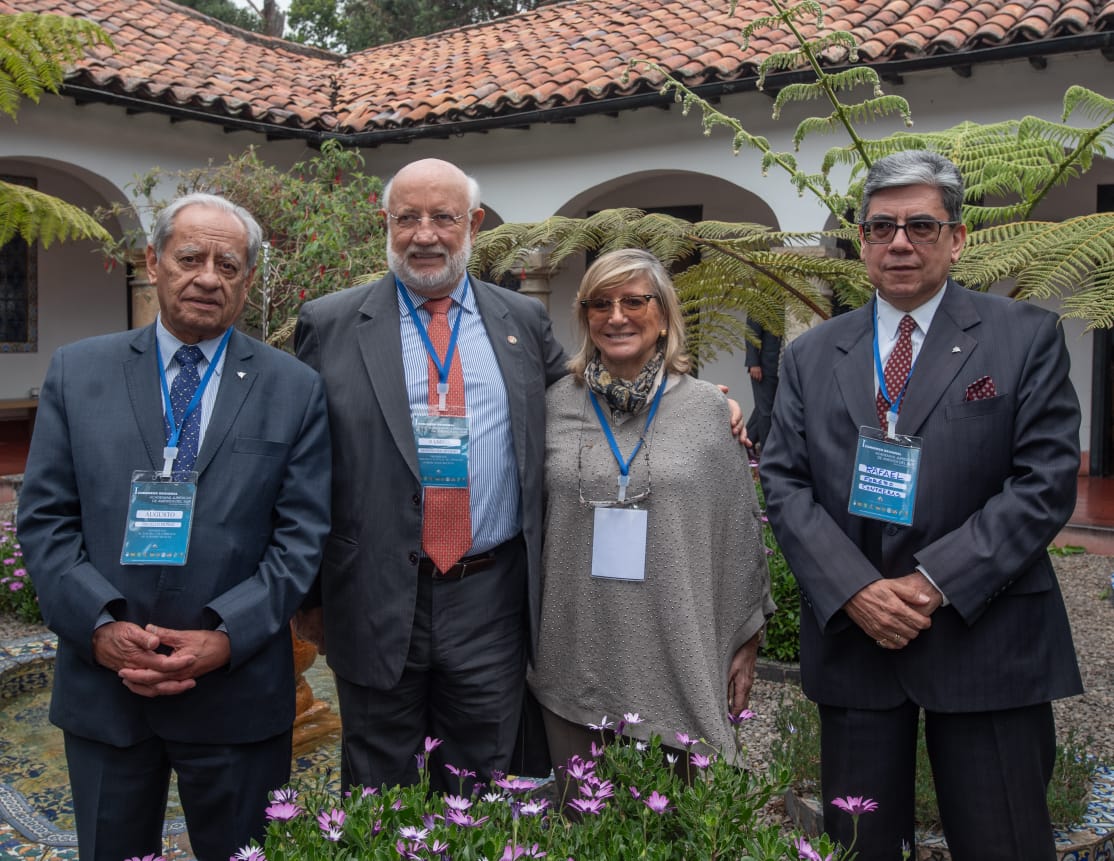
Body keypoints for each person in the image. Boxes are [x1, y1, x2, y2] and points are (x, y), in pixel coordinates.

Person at [759, 150, 1082, 859]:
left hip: (986, 635)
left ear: (957, 238)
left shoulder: (1023, 336)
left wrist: (933, 581)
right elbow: (783, 482)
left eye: (920, 226)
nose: (899, 242)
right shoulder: (812, 355)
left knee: (1004, 842)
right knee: (861, 843)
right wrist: (857, 590)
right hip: (858, 640)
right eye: (881, 227)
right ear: (862, 239)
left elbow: (1046, 480)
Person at [16, 193, 332, 861]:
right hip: (107, 689)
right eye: (190, 258)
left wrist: (226, 634)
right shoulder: (79, 372)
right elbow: (45, 519)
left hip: (236, 689)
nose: (209, 277)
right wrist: (100, 627)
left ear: (248, 280)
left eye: (229, 263)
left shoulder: (294, 387)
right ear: (153, 262)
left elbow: (301, 536)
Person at [294, 158, 567, 794]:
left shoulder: (520, 322)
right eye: (407, 218)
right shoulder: (329, 323)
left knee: (482, 781)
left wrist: (687, 399)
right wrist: (309, 599)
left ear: (471, 223)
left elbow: (582, 403)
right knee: (376, 784)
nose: (424, 235)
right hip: (372, 594)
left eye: (443, 217)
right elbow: (301, 466)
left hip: (490, 594)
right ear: (385, 224)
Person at [528, 248, 774, 781]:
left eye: (634, 301)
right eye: (601, 303)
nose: (616, 317)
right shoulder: (551, 406)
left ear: (663, 316)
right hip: (573, 650)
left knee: (668, 827)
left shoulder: (709, 409)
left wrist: (745, 638)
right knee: (580, 822)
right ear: (585, 317)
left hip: (672, 650)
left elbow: (739, 535)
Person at [744, 315, 781, 454]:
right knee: (766, 412)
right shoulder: (762, 298)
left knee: (765, 407)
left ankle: (746, 442)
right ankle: (767, 452)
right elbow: (751, 333)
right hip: (764, 367)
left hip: (780, 366)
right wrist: (753, 362)